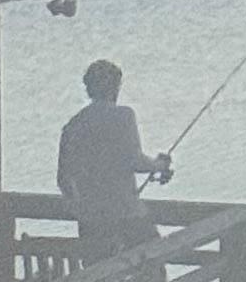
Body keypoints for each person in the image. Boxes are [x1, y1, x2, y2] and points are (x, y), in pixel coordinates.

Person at [56, 59, 173, 262]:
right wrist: (159, 165)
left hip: (91, 220)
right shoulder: (123, 116)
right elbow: (134, 161)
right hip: (126, 212)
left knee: (97, 274)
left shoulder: (73, 126)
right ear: (114, 87)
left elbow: (63, 179)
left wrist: (81, 209)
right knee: (154, 260)